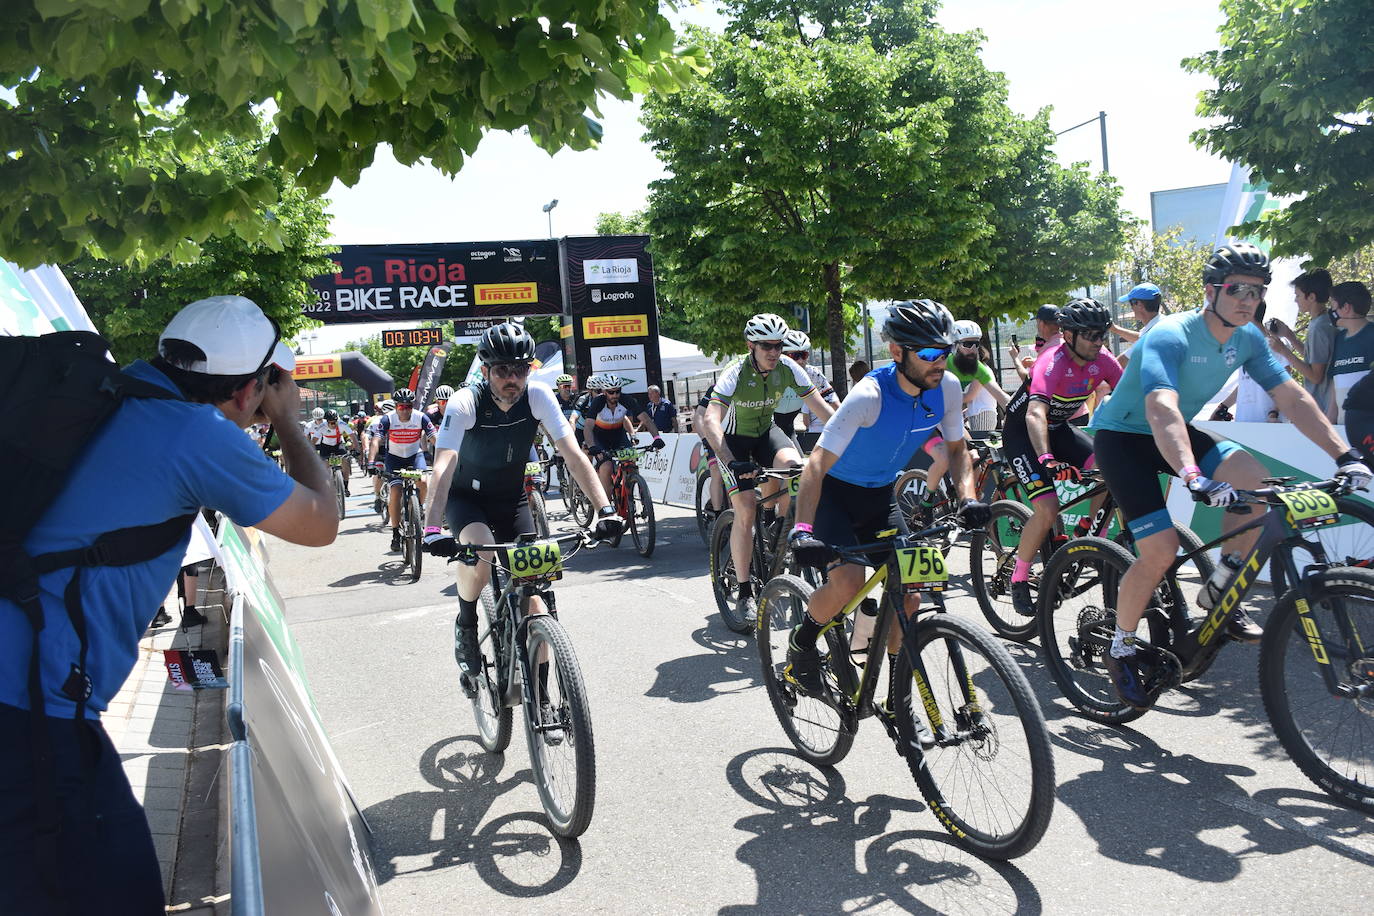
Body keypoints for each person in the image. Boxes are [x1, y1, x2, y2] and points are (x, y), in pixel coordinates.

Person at [0, 295, 338, 913]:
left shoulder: (113, 391)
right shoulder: (196, 434)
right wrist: (289, 419)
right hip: (32, 713)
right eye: (265, 387)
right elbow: (320, 523)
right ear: (246, 392)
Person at [1090, 244, 1370, 709]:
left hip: (1178, 429)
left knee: (1258, 485)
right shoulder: (1170, 334)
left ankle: (1221, 589)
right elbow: (1160, 407)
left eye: (1258, 291)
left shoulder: (1248, 338)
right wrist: (1192, 474)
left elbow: (1294, 398)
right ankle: (1120, 647)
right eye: (1237, 288)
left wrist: (1345, 456)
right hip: (1124, 438)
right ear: (1210, 292)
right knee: (1160, 552)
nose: (1248, 299)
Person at [784, 300, 989, 697]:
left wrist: (967, 497)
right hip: (836, 495)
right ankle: (803, 643)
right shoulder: (869, 395)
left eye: (944, 352)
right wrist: (802, 531)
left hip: (879, 495)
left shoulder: (945, 387)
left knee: (911, 591)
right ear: (898, 352)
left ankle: (896, 686)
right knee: (847, 584)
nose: (939, 362)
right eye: (929, 353)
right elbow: (814, 467)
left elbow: (958, 449)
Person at [421, 323, 622, 704]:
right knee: (480, 553)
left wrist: (605, 509)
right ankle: (466, 620)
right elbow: (443, 465)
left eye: (519, 369)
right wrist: (432, 527)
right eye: (502, 370)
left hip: (511, 498)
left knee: (536, 597)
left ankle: (541, 696)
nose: (512, 379)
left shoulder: (538, 395)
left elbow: (573, 455)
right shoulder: (466, 401)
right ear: (485, 371)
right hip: (467, 499)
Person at [698, 313, 836, 624]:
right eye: (766, 347)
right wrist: (732, 461)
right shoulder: (735, 372)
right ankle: (745, 591)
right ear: (751, 345)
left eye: (778, 345)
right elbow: (710, 420)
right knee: (746, 507)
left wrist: (852, 446)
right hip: (733, 443)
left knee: (796, 468)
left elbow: (826, 413)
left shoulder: (789, 369)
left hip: (765, 434)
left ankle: (782, 528)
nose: (774, 352)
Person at [1001, 299, 1123, 615]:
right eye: (1091, 336)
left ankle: (1089, 534)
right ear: (1068, 335)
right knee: (1047, 508)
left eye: (1102, 335)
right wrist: (1046, 459)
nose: (1099, 342)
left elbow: (1130, 398)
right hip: (1024, 434)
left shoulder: (1104, 361)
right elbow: (1035, 413)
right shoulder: (1049, 363)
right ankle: (1019, 577)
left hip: (1059, 428)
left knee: (1110, 471)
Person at [370, 389, 435, 553]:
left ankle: (418, 509)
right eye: (401, 407)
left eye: (408, 406)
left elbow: (435, 438)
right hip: (394, 458)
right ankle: (395, 534)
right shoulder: (388, 419)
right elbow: (376, 440)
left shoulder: (421, 417)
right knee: (396, 491)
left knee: (423, 481)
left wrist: (445, 457)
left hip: (415, 456)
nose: (405, 410)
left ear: (412, 406)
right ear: (396, 406)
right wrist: (371, 461)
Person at [580, 376, 666, 500]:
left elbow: (646, 419)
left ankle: (631, 496)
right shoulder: (598, 402)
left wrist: (657, 437)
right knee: (607, 466)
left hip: (618, 437)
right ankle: (606, 507)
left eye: (618, 391)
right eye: (611, 392)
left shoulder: (626, 399)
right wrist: (592, 446)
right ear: (604, 392)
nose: (615, 395)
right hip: (600, 439)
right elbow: (588, 426)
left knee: (631, 462)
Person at [1268, 268, 1336, 415]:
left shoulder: (1319, 327)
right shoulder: (1323, 321)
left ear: (1311, 297)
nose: (1295, 300)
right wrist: (1289, 335)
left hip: (1323, 407)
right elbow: (1314, 357)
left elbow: (1316, 376)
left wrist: (1284, 351)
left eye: (1298, 295)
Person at [774, 329, 839, 441]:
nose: (800, 361)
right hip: (760, 429)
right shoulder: (770, 374)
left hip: (788, 428)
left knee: (796, 458)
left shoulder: (812, 374)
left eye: (803, 355)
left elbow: (834, 404)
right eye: (794, 356)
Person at [1324, 281, 1374, 424]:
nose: (1330, 312)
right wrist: (1329, 423)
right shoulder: (1339, 339)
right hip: (1343, 430)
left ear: (1346, 308)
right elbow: (1335, 386)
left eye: (1333, 307)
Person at [1113, 282, 1164, 370]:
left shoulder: (1150, 335)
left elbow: (1120, 364)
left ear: (1139, 305)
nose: (1131, 308)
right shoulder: (1161, 323)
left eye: (1131, 303)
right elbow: (1139, 338)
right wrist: (1113, 328)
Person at [1009, 304, 1061, 382]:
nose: (1037, 326)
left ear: (1041, 323)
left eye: (1037, 322)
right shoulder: (1066, 343)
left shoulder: (1047, 351)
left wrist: (1015, 358)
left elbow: (1028, 380)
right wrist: (1036, 362)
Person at [315, 409, 358, 494]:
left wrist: (355, 449)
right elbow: (313, 441)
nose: (334, 424)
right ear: (327, 422)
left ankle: (345, 486)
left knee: (345, 462)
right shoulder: (322, 427)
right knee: (325, 467)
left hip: (338, 445)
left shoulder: (342, 424)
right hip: (325, 447)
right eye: (331, 423)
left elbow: (353, 438)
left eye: (335, 422)